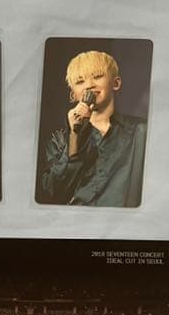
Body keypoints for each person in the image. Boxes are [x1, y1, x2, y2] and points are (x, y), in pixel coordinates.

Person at [40, 50, 147, 206]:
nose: (89, 85)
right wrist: (75, 136)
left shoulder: (141, 132)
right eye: (80, 81)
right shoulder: (59, 139)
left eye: (97, 76)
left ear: (116, 83)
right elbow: (53, 192)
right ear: (73, 95)